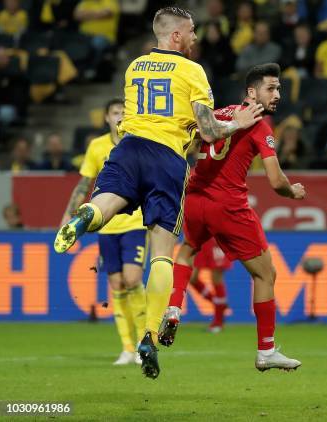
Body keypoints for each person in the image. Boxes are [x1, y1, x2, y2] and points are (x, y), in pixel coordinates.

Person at [53, 6, 263, 379]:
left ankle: (88, 216)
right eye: (193, 31)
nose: (197, 37)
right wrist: (239, 122)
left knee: (107, 201)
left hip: (129, 147)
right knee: (162, 251)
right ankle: (148, 336)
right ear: (177, 36)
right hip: (166, 158)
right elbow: (210, 129)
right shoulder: (192, 70)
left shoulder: (135, 67)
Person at [158, 63, 305, 372]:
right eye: (271, 88)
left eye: (279, 88)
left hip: (195, 198)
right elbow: (277, 182)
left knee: (187, 249)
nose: (277, 94)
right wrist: (294, 192)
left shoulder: (221, 114)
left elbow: (191, 140)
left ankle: (173, 307)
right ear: (252, 93)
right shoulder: (259, 127)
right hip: (228, 205)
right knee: (265, 275)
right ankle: (266, 350)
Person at [59, 99, 147, 366]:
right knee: (116, 284)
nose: (119, 116)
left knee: (132, 279)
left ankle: (145, 344)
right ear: (107, 118)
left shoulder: (139, 143)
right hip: (106, 225)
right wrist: (68, 215)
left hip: (134, 222)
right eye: (115, 113)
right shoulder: (97, 147)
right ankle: (127, 347)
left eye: (123, 112)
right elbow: (84, 183)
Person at [189, 238, 232, 333]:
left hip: (215, 237)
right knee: (192, 277)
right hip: (200, 238)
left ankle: (218, 323)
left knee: (216, 278)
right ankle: (219, 305)